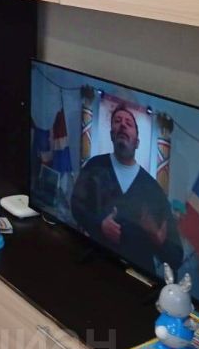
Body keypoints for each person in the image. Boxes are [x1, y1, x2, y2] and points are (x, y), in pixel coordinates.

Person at [70, 105, 183, 274]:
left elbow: (177, 256)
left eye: (129, 123)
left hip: (138, 279)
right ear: (112, 135)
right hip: (97, 267)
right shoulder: (95, 167)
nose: (123, 125)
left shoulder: (153, 189)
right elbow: (76, 206)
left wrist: (158, 241)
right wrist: (100, 225)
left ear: (137, 142)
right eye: (117, 121)